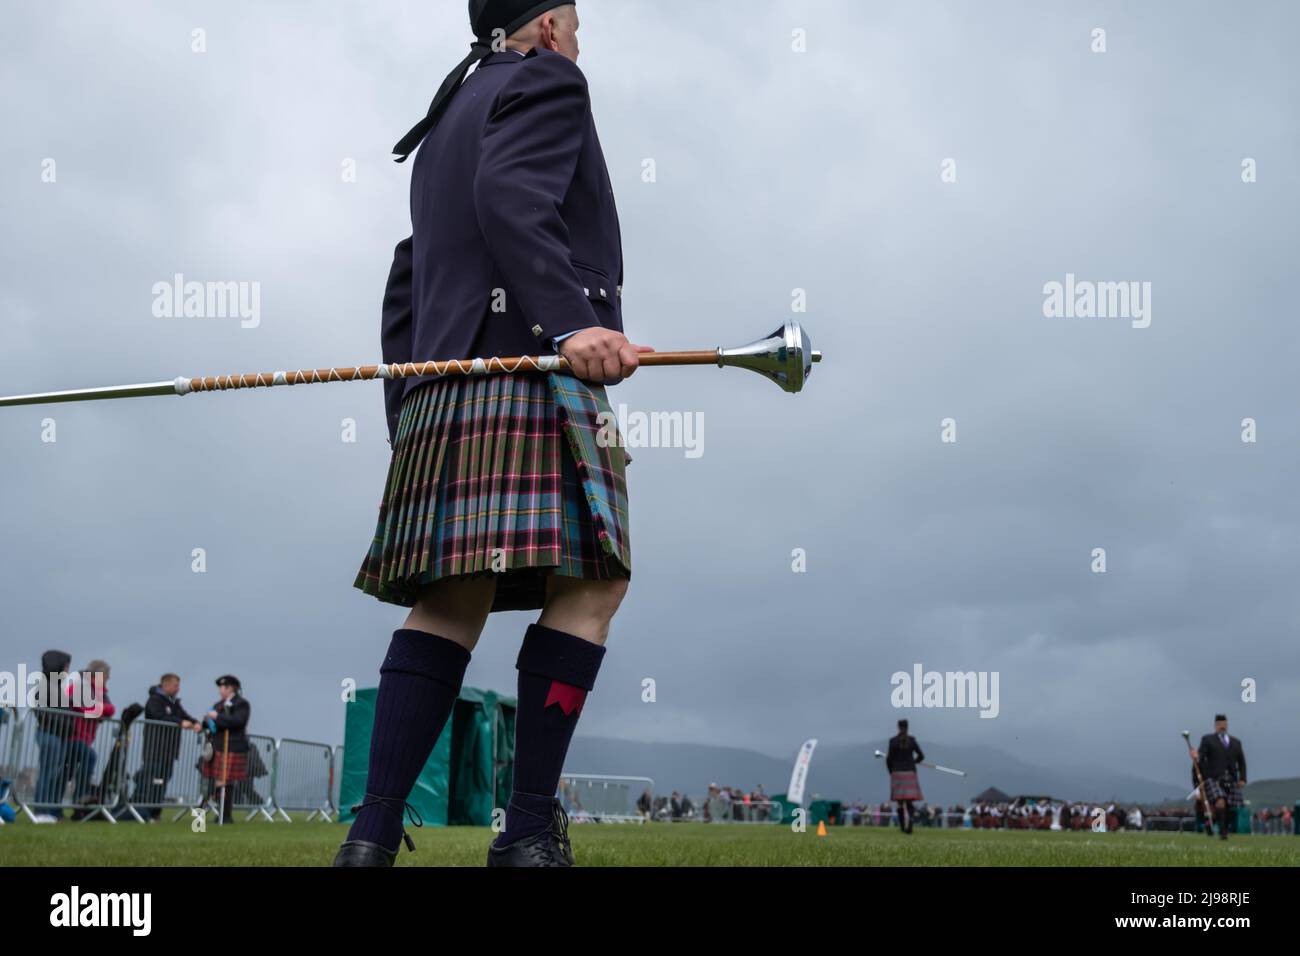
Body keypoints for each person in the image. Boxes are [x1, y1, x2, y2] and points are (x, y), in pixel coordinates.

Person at [336, 0, 649, 869]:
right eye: (576, 23)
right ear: (548, 27)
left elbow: (408, 276)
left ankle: (369, 837)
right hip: (531, 372)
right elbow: (512, 195)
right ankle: (526, 831)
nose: (580, 40)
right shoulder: (550, 79)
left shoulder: (444, 125)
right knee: (591, 586)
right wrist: (564, 325)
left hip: (442, 386)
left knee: (448, 600)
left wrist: (410, 403)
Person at [135, 674, 200, 820]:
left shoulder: (174, 703)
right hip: (155, 750)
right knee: (152, 780)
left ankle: (155, 813)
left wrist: (195, 722)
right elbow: (159, 716)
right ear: (166, 685)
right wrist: (179, 723)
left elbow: (184, 715)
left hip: (169, 751)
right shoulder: (154, 700)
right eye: (176, 685)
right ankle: (143, 812)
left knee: (162, 781)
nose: (178, 689)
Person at [201, 675, 251, 824]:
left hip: (232, 745)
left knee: (225, 781)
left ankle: (225, 815)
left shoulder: (242, 704)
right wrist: (207, 721)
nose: (219, 691)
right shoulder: (218, 705)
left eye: (222, 688)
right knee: (218, 781)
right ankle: (220, 814)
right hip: (217, 745)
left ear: (230, 688)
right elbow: (210, 723)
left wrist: (217, 718)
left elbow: (239, 721)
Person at [65, 660, 114, 808]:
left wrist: (96, 709)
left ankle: (65, 804)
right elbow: (83, 706)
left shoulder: (101, 692)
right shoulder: (79, 686)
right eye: (107, 675)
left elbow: (111, 709)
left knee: (67, 771)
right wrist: (98, 709)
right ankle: (80, 797)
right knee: (89, 757)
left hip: (85, 737)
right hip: (72, 735)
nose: (109, 678)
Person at [1193, 713, 1247, 841]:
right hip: (1213, 778)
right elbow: (1201, 759)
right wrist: (1196, 757)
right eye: (1219, 724)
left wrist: (1243, 778)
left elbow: (1242, 762)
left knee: (1228, 806)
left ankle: (1210, 822)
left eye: (1224, 724)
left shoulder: (1236, 742)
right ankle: (1223, 833)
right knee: (1220, 801)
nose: (1222, 727)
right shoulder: (1207, 740)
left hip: (1231, 779)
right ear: (1215, 725)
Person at [885, 719, 925, 835]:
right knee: (909, 802)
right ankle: (910, 824)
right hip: (910, 773)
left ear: (898, 727)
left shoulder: (893, 741)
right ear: (908, 727)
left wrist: (891, 772)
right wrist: (913, 762)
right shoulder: (912, 741)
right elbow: (921, 756)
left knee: (900, 803)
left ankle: (903, 826)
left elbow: (889, 760)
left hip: (897, 773)